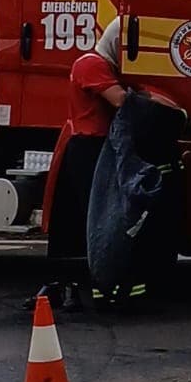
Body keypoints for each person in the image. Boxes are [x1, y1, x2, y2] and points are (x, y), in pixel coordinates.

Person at [35, 20, 129, 310]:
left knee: (90, 212)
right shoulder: (91, 64)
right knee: (91, 212)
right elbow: (121, 100)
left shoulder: (101, 66)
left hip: (96, 146)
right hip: (88, 146)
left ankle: (77, 282)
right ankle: (81, 282)